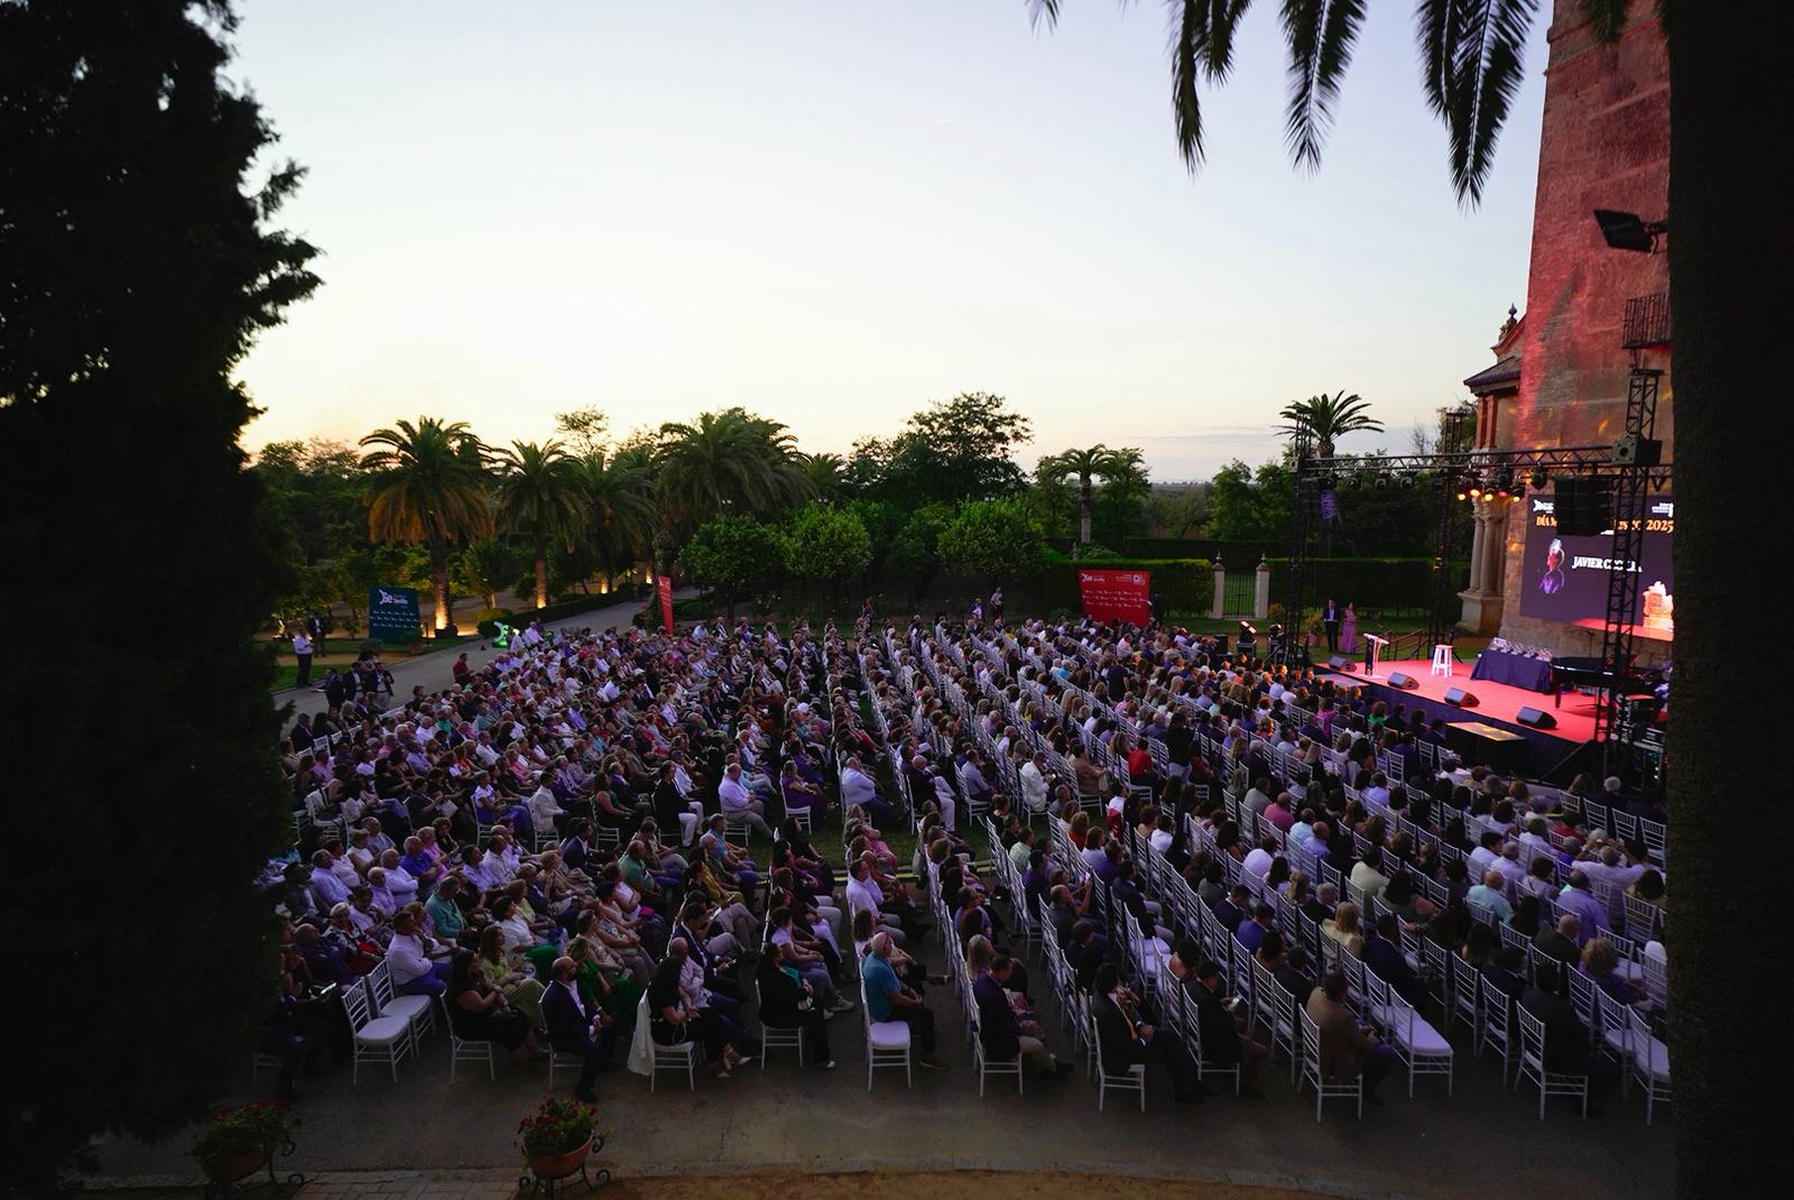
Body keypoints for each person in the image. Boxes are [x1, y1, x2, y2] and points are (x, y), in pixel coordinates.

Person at [1092, 963, 1201, 1102]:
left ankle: (1187, 1085)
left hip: (1130, 1039)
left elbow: (1125, 1021)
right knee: (1171, 1047)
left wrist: (1139, 1024)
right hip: (1123, 1055)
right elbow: (1123, 1044)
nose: (1120, 983)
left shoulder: (1102, 996)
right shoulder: (1108, 1013)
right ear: (1112, 983)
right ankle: (1186, 1088)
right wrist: (1144, 1039)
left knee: (1171, 1040)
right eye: (1117, 980)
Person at [1521, 961, 1618, 1113]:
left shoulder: (1528, 996)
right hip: (1553, 1058)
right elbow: (1580, 1035)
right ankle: (1587, 1105)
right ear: (1555, 984)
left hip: (1533, 1047)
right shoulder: (1561, 1007)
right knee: (1609, 1067)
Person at [974, 952, 1070, 1079]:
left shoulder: (982, 980)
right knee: (1037, 1041)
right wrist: (1021, 1027)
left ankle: (1049, 1061)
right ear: (1001, 971)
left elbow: (1000, 1017)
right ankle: (1051, 1069)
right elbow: (1005, 1025)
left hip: (991, 1030)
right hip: (999, 1042)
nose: (1011, 974)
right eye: (1009, 971)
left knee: (1033, 1026)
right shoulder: (996, 997)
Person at [1305, 970, 1394, 1103]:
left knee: (1361, 1023)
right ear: (1342, 994)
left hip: (1314, 1049)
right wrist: (1371, 1039)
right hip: (1334, 1064)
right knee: (1387, 1053)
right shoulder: (1344, 1017)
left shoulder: (1316, 992)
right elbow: (1363, 1046)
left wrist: (1359, 1031)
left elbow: (1343, 1032)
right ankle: (1367, 1089)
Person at [861, 932, 942, 1068]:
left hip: (886, 1000)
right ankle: (927, 1057)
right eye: (889, 943)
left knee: (915, 989)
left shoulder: (875, 957)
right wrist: (914, 1002)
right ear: (884, 949)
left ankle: (919, 1027)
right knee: (926, 1014)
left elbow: (895, 980)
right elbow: (896, 1000)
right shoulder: (879, 970)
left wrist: (910, 990)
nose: (892, 945)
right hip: (886, 1012)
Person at [1191, 957, 1268, 1094]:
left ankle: (1242, 1058)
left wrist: (1220, 1003)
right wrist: (1228, 1012)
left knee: (1242, 1025)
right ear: (1209, 979)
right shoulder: (1208, 1001)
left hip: (1204, 1032)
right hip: (1214, 1045)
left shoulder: (1194, 988)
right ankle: (1249, 1085)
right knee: (1261, 1050)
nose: (1218, 980)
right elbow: (1225, 1024)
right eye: (1216, 978)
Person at [542, 955, 614, 1102]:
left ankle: (602, 1064)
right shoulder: (554, 996)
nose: (576, 968)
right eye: (572, 967)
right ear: (563, 974)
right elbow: (565, 1027)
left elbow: (586, 1005)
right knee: (592, 1051)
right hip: (564, 1037)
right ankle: (583, 1089)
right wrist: (592, 1030)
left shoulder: (574, 983)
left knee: (610, 1029)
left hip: (580, 1027)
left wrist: (595, 1018)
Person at [757, 942, 834, 1070]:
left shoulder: (771, 968)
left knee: (818, 1002)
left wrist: (804, 985)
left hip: (783, 1007)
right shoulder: (775, 978)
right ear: (775, 957)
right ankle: (821, 1058)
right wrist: (806, 990)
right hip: (779, 1015)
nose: (782, 953)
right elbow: (791, 997)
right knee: (815, 1016)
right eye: (780, 952)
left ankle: (813, 1036)